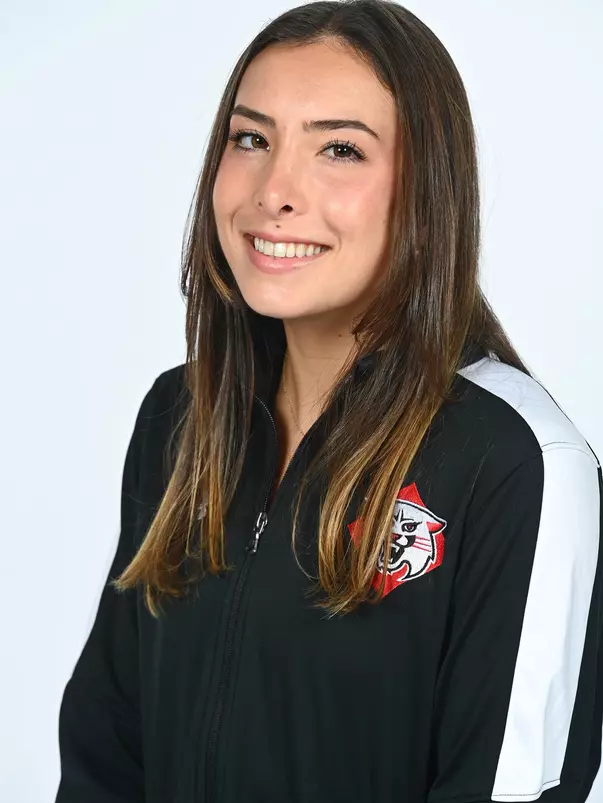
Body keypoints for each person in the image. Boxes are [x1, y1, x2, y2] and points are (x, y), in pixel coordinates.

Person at [54, 1, 603, 801]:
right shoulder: (180, 421)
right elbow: (106, 757)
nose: (275, 190)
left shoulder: (514, 462)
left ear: (424, 190)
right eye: (251, 139)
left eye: (339, 149)